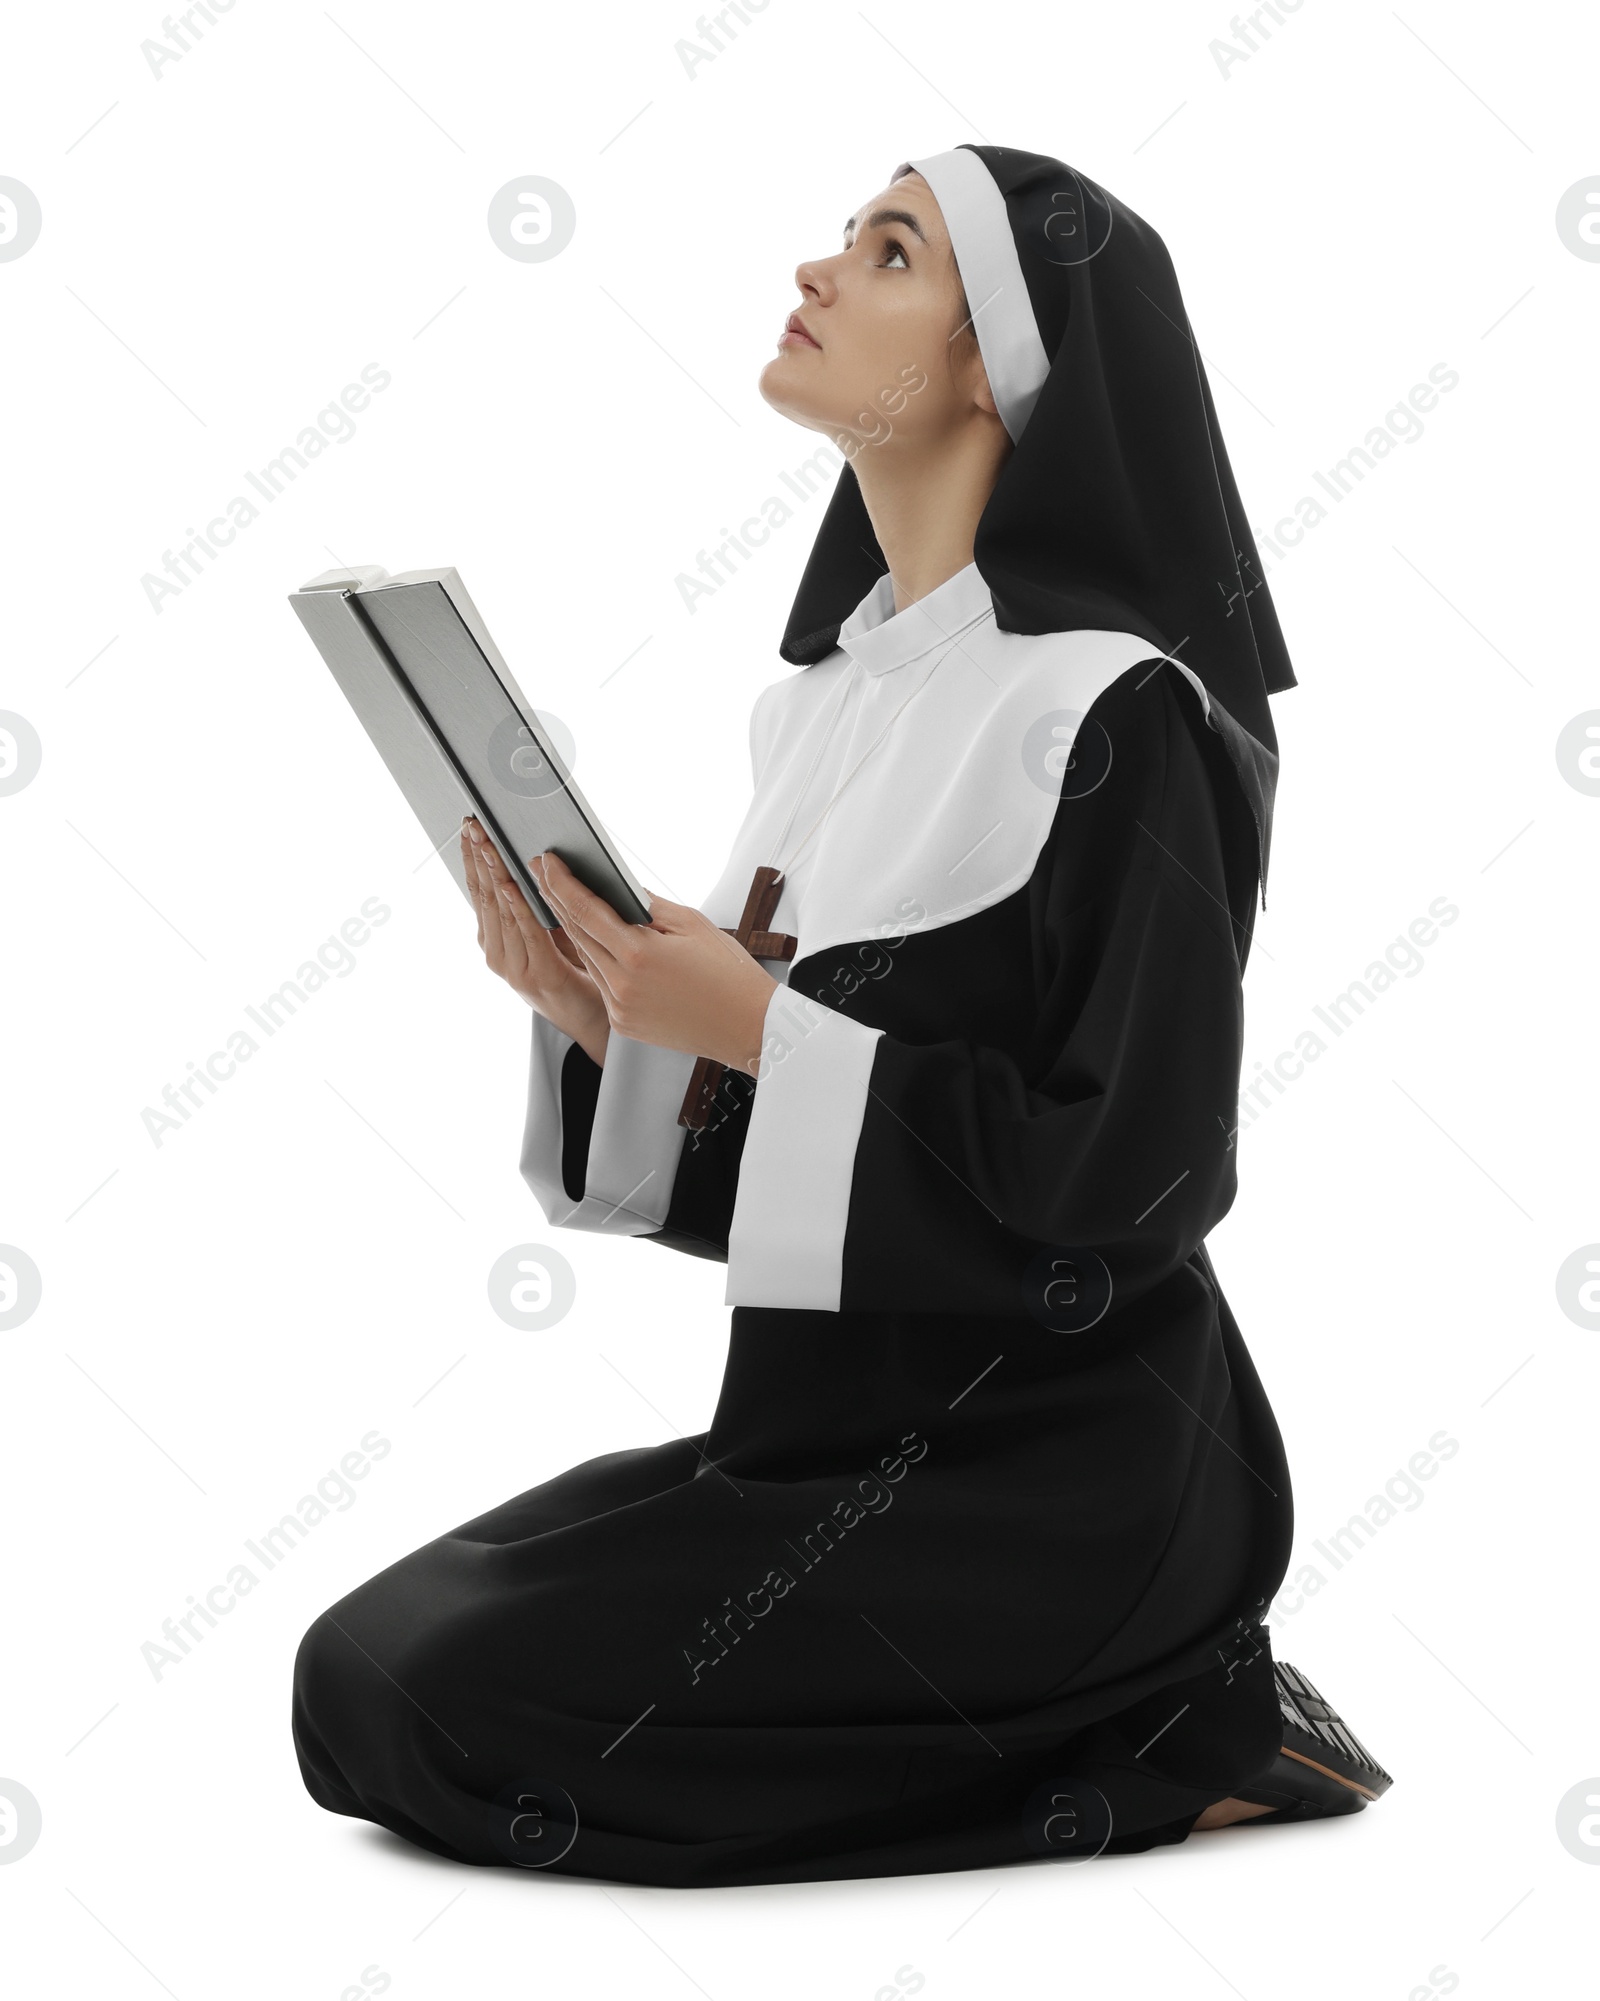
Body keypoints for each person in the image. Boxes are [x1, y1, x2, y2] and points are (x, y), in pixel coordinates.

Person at [293, 145, 1392, 1882]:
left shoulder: (1122, 715)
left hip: (1062, 1486)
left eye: (890, 252)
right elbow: (809, 1207)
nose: (818, 268)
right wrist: (609, 1026)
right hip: (816, 1447)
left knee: (460, 1714)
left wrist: (747, 1025)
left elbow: (1138, 1183)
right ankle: (1127, 1722)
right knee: (360, 1674)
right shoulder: (825, 710)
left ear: (994, 363)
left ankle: (1186, 1721)